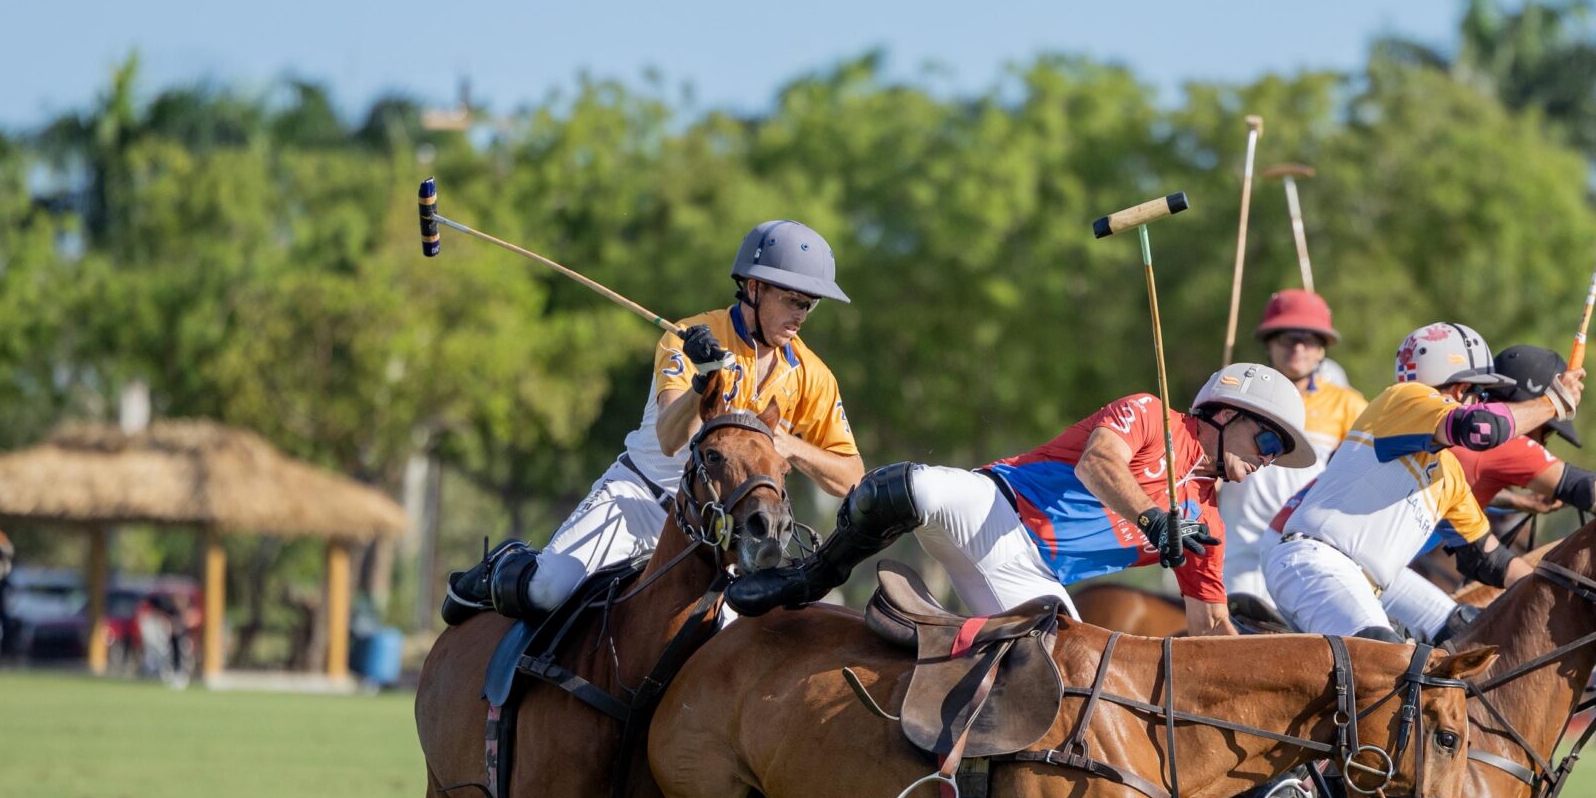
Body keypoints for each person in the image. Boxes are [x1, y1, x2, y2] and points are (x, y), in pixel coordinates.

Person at [445, 222, 864, 623]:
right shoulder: (689, 337)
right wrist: (702, 383)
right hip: (641, 501)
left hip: (720, 534)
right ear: (754, 288)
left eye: (809, 304)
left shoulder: (813, 376)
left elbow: (852, 479)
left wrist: (790, 445)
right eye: (794, 300)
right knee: (547, 589)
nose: (802, 315)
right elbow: (670, 440)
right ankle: (502, 567)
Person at [725, 363, 1311, 631]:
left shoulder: (1207, 524)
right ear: (1225, 413)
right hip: (993, 509)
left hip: (1030, 577)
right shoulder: (1151, 413)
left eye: (1277, 453)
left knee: (1071, 685)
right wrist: (1155, 519)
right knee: (906, 485)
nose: (1267, 458)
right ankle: (808, 577)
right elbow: (1098, 464)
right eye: (1267, 440)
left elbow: (1210, 626)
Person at [1377, 341, 1596, 641]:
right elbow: (1594, 491)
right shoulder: (1508, 442)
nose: (1545, 443)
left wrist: (1514, 501)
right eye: (1547, 430)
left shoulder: (1464, 427)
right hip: (1375, 571)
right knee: (1467, 635)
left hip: (1380, 564)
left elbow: (1449, 493)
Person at [1262, 323, 1575, 641]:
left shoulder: (1449, 473)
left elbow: (1489, 559)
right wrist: (1552, 403)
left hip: (1363, 582)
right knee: (1384, 658)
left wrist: (1563, 599)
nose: (1481, 402)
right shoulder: (1404, 399)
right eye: (1480, 395)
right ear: (1459, 389)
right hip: (1315, 564)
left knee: (1466, 632)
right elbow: (1481, 428)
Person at [1217, 290, 1367, 622]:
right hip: (1240, 554)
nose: (1298, 348)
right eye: (1288, 338)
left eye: (1308, 339)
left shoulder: (1348, 404)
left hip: (1304, 552)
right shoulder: (1236, 393)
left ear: (1322, 349)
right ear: (1269, 343)